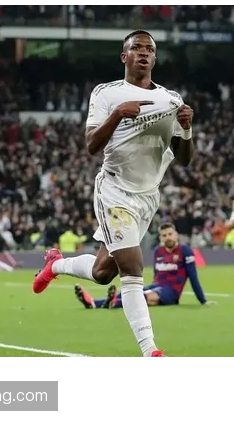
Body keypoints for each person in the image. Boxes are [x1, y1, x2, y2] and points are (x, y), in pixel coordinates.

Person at [32, 30, 195, 357]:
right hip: (115, 191)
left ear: (154, 58)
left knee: (103, 273)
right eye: (137, 48)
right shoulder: (107, 93)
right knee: (132, 268)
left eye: (149, 49)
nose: (144, 53)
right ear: (125, 56)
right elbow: (92, 145)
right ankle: (150, 351)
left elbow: (185, 159)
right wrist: (118, 113)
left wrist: (188, 129)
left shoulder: (171, 100)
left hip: (147, 197)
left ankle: (56, 265)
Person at [74, 223, 215, 309]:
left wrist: (203, 301)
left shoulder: (185, 251)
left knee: (143, 296)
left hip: (171, 291)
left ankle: (113, 303)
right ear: (160, 238)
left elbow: (193, 276)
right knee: (130, 292)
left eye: (170, 234)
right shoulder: (158, 251)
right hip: (156, 285)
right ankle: (94, 303)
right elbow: (157, 274)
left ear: (176, 235)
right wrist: (152, 285)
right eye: (164, 235)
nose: (168, 237)